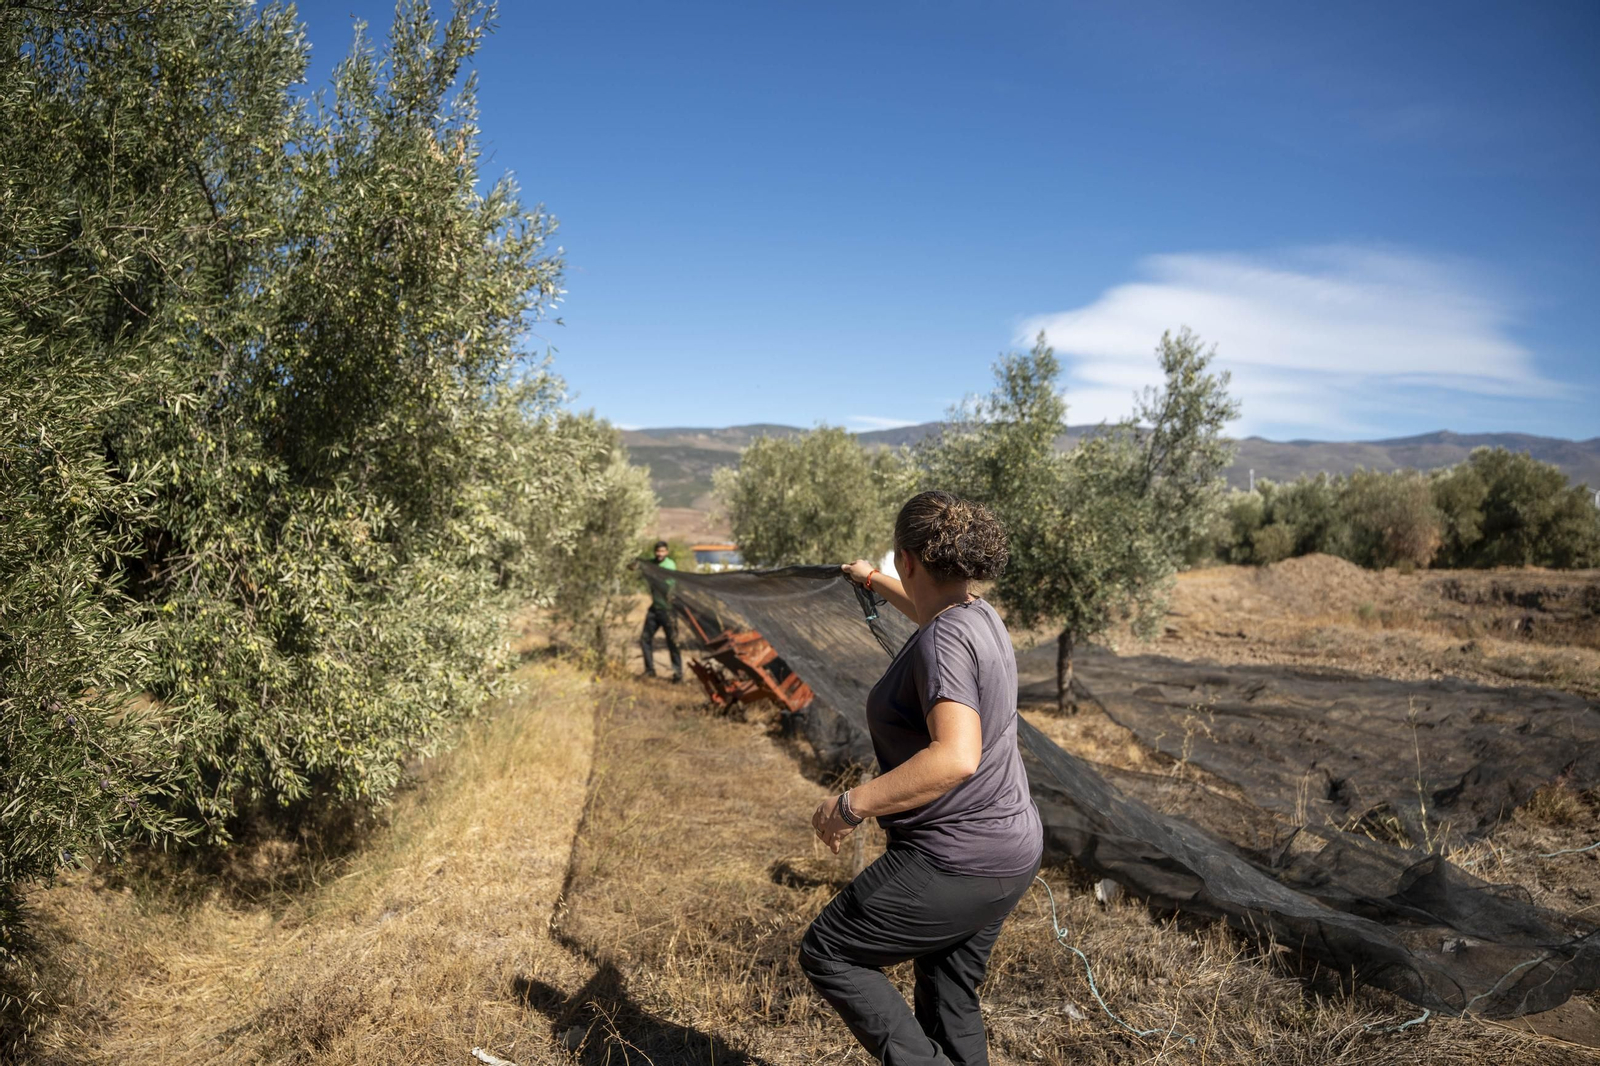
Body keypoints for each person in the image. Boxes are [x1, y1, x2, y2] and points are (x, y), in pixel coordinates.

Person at [800, 491, 1042, 1066]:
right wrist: (871, 580)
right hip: (1013, 849)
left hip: (955, 859)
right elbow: (928, 610)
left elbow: (955, 756)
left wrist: (851, 804)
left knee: (830, 950)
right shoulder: (976, 615)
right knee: (948, 995)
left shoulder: (943, 640)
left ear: (908, 559)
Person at [637, 540, 683, 682]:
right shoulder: (652, 563)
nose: (660, 554)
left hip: (668, 610)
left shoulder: (669, 565)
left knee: (673, 643)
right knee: (645, 639)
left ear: (667, 552)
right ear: (655, 552)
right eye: (658, 551)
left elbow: (667, 585)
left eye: (663, 551)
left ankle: (677, 675)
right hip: (655, 609)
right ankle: (650, 671)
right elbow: (636, 565)